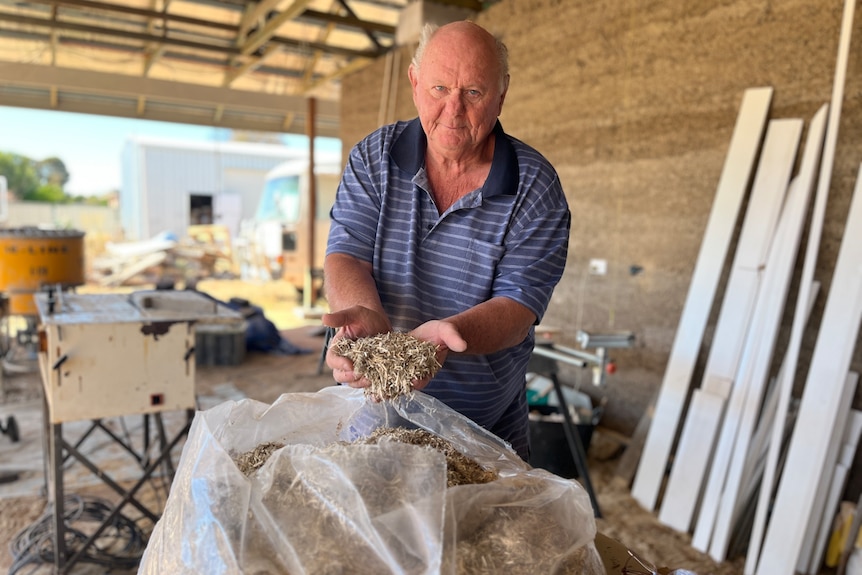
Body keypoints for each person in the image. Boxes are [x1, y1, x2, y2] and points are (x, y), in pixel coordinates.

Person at [322, 20, 570, 461]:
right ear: (415, 82)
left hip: (483, 435)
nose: (453, 111)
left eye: (473, 93)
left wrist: (447, 337)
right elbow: (347, 255)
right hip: (376, 414)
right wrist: (366, 317)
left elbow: (517, 308)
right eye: (439, 89)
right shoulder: (374, 157)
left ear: (501, 95)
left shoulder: (534, 187)